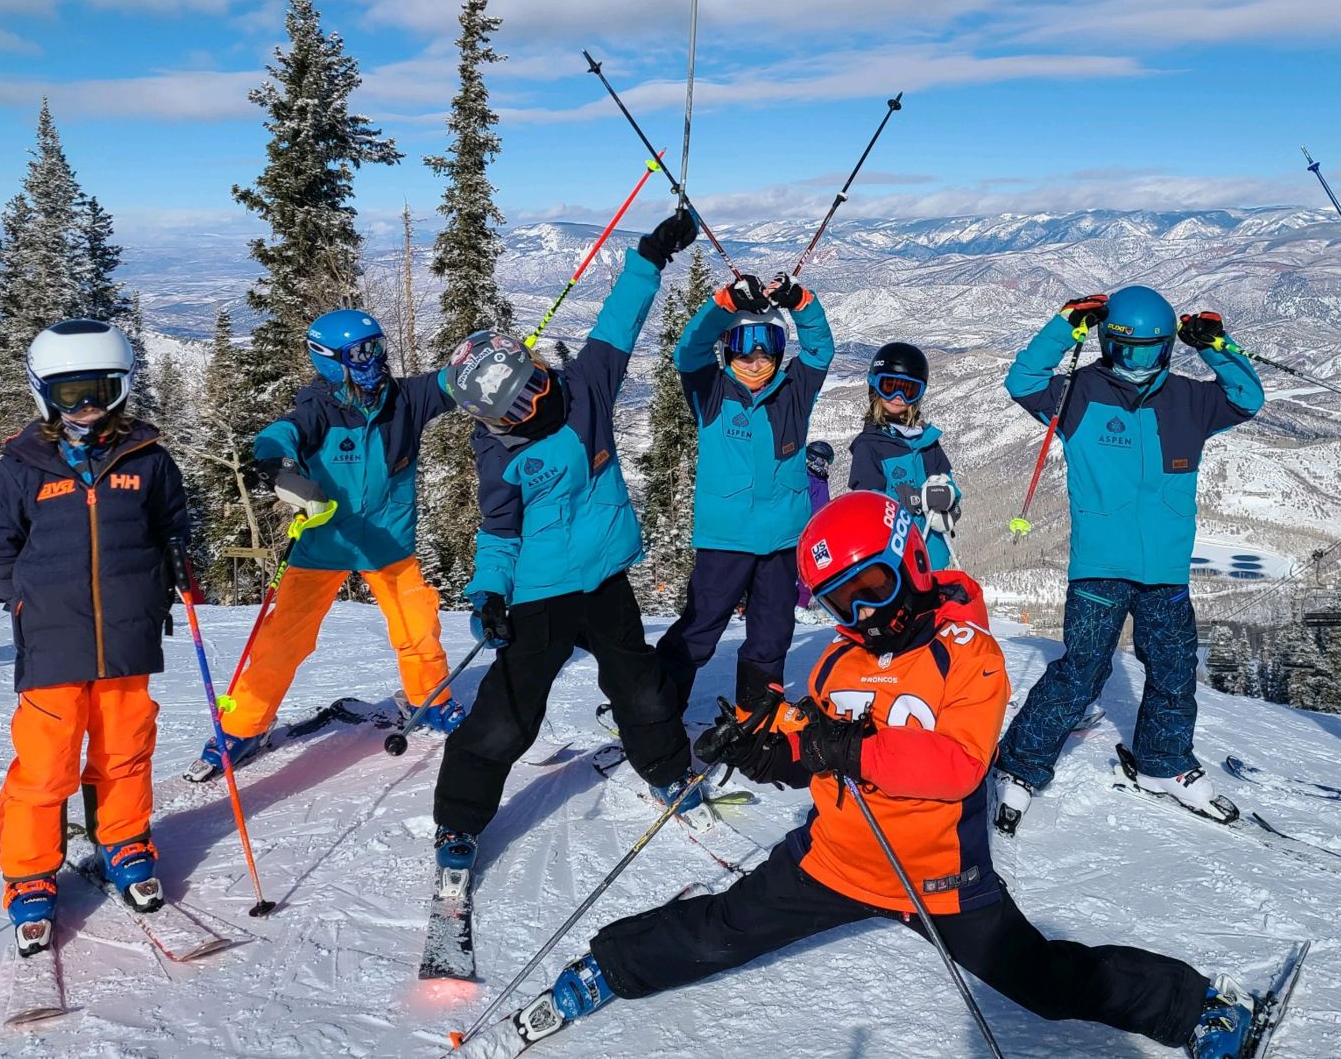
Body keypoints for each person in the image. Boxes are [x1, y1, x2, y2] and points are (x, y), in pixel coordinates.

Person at [507, 490, 1264, 1059]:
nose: (861, 614)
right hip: (836, 863)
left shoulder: (970, 656)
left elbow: (958, 766)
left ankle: (1197, 1008)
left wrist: (842, 750)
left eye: (870, 588)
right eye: (841, 601)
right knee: (721, 931)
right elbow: (813, 733)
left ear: (910, 561)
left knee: (1047, 984)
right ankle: (606, 968)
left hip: (941, 881)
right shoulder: (842, 659)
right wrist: (771, 742)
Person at [429, 208, 708, 883]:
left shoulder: (583, 390)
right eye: (511, 410)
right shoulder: (499, 456)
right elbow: (498, 532)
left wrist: (650, 256)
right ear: (488, 419)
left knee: (638, 687)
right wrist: (490, 592)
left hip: (605, 579)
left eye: (532, 389)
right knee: (508, 716)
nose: (531, 408)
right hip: (540, 595)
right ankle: (460, 821)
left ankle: (669, 771)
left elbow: (618, 323)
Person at [992, 288, 1263, 831]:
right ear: (1106, 343)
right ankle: (1020, 767)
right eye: (1124, 350)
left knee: (1173, 670)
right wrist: (1064, 324)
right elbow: (1021, 382)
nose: (1136, 364)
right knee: (1081, 670)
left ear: (1167, 349)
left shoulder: (1190, 399)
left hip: (1165, 569)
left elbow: (1247, 397)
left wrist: (1216, 346)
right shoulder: (1082, 393)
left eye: (1150, 352)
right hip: (1099, 568)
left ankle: (1165, 764)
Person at [0, 320, 190, 952]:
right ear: (45, 395)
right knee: (45, 766)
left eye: (100, 390)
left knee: (126, 747)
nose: (88, 408)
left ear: (123, 389)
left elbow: (171, 524)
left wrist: (167, 575)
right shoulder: (21, 467)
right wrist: (27, 602)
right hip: (53, 642)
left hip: (128, 636)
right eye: (71, 395)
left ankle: (124, 840)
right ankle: (30, 874)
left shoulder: (147, 460)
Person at [196, 308, 460, 777]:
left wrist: (486, 365)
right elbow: (278, 436)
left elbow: (452, 382)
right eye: (359, 353)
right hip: (324, 544)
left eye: (378, 347)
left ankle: (430, 699)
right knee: (282, 641)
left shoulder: (405, 400)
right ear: (329, 361)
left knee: (417, 624)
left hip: (388, 545)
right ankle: (241, 726)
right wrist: (281, 473)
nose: (374, 360)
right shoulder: (318, 409)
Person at [655, 268, 833, 714]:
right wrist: (726, 304)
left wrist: (802, 303)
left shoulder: (793, 392)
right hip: (725, 539)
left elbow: (820, 348)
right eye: (742, 347)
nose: (755, 360)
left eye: (767, 347)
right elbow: (689, 350)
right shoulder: (711, 391)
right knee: (700, 626)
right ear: (726, 351)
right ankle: (654, 706)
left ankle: (756, 710)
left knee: (772, 631)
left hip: (780, 540)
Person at [846, 340, 961, 566]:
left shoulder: (927, 441)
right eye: (889, 387)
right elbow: (870, 506)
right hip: (895, 559)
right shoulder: (869, 447)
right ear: (875, 388)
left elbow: (951, 488)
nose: (899, 396)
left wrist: (951, 504)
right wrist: (918, 498)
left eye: (908, 389)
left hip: (933, 557)